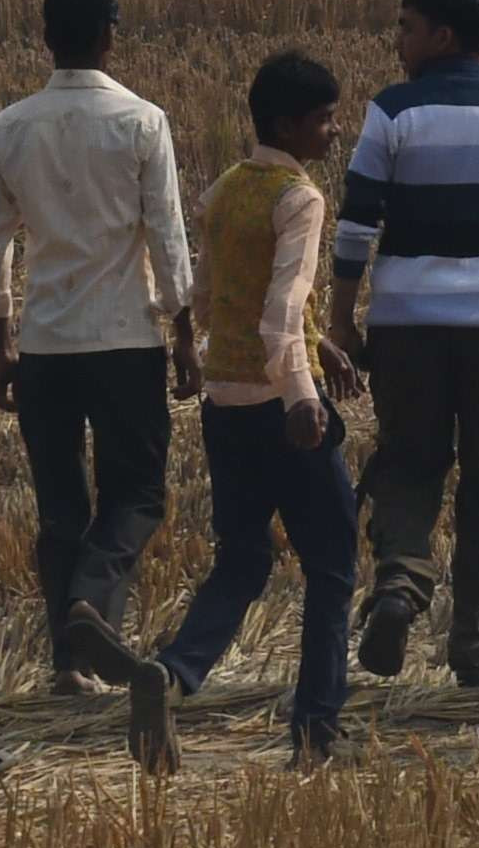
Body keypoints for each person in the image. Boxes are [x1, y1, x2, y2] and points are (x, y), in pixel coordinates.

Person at [0, 0, 197, 759]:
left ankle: (69, 663)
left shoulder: (7, 127)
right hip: (127, 339)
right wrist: (186, 331)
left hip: (46, 344)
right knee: (137, 491)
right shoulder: (142, 122)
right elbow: (166, 238)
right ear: (111, 33)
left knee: (60, 501)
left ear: (44, 36)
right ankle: (95, 603)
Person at [331, 0, 479, 688]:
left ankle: (400, 584)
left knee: (407, 463)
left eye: (405, 27)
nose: (396, 41)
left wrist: (342, 318)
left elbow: (356, 224)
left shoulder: (392, 113)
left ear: (442, 38)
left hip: (403, 324)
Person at [152, 52, 364, 761]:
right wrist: (303, 396)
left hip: (224, 401)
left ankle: (173, 673)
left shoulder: (225, 189)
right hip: (281, 406)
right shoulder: (298, 198)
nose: (335, 132)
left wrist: (312, 344)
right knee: (332, 565)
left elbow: (210, 299)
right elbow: (280, 314)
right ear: (289, 124)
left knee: (241, 560)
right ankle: (315, 731)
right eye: (324, 119)